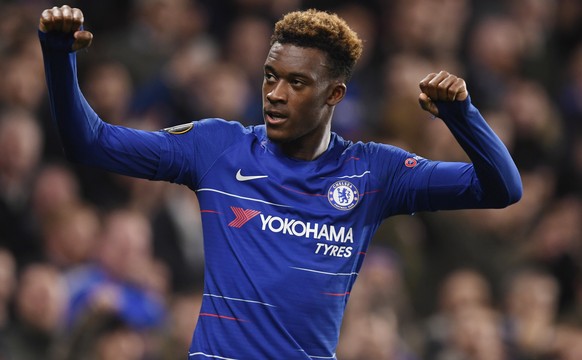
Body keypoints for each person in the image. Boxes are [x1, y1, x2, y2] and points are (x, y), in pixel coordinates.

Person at [38, 5, 522, 359]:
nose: (274, 94)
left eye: (296, 82)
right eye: (270, 76)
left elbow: (502, 189)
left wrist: (462, 117)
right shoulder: (216, 148)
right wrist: (60, 57)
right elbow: (91, 141)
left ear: (334, 93)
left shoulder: (375, 172)